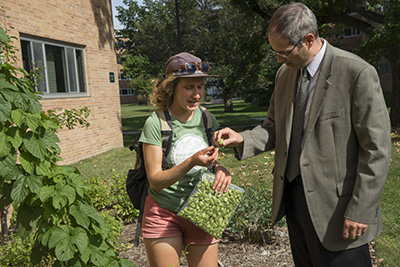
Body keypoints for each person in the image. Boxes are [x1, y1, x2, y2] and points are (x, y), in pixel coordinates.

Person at [214, 3, 391, 266]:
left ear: (309, 40)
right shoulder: (285, 74)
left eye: (283, 52)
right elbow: (274, 128)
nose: (278, 60)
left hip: (340, 210)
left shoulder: (356, 73)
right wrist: (243, 139)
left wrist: (361, 209)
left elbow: (376, 150)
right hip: (295, 202)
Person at [139, 52, 231, 267]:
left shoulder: (207, 118)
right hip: (164, 211)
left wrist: (220, 169)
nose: (196, 94)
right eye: (188, 87)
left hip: (202, 209)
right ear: (171, 88)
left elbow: (211, 161)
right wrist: (191, 162)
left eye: (200, 86)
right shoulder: (155, 123)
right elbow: (155, 180)